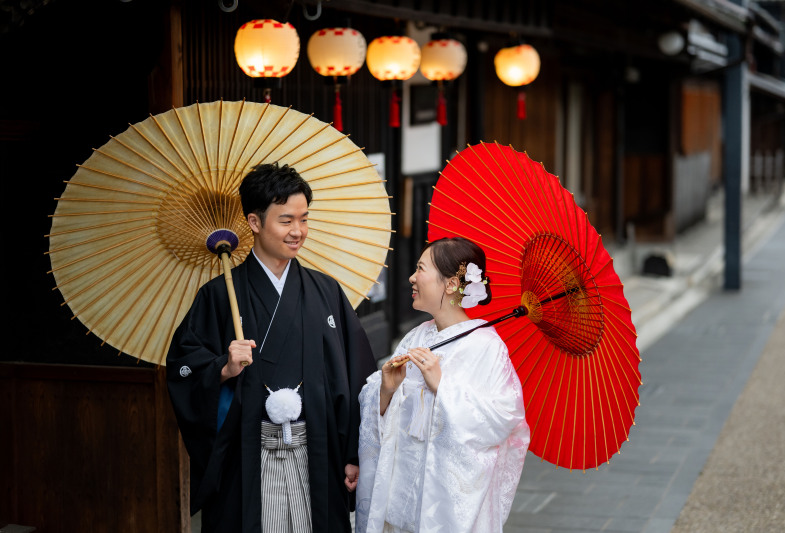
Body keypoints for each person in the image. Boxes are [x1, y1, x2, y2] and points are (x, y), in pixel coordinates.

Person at [166, 162, 376, 533]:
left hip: (317, 452)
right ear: (254, 222)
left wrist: (353, 453)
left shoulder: (325, 292)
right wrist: (222, 368)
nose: (298, 232)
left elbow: (356, 377)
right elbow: (183, 369)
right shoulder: (217, 296)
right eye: (286, 220)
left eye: (304, 219)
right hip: (246, 457)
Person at [355, 237, 530, 533]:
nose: (411, 277)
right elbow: (378, 402)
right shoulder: (416, 337)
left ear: (450, 285)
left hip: (443, 506)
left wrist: (443, 387)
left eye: (420, 269)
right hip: (399, 502)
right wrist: (386, 391)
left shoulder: (486, 347)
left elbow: (503, 419)